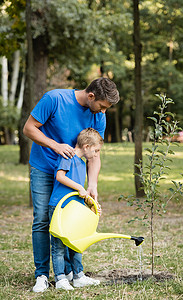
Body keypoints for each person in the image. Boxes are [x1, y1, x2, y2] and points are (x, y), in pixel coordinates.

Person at [23, 77, 120, 292]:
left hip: (72, 176)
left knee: (68, 222)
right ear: (91, 96)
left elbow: (94, 154)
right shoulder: (55, 99)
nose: (103, 112)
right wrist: (55, 145)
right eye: (102, 107)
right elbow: (29, 129)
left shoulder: (99, 116)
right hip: (44, 167)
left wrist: (92, 184)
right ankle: (41, 275)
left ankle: (68, 272)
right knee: (42, 219)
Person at [49, 128, 103, 291]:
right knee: (58, 245)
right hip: (60, 206)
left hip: (75, 208)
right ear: (86, 146)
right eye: (96, 150)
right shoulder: (68, 156)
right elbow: (60, 176)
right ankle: (60, 279)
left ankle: (78, 276)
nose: (96, 154)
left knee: (76, 243)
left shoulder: (81, 163)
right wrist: (80, 187)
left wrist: (91, 204)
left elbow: (80, 192)